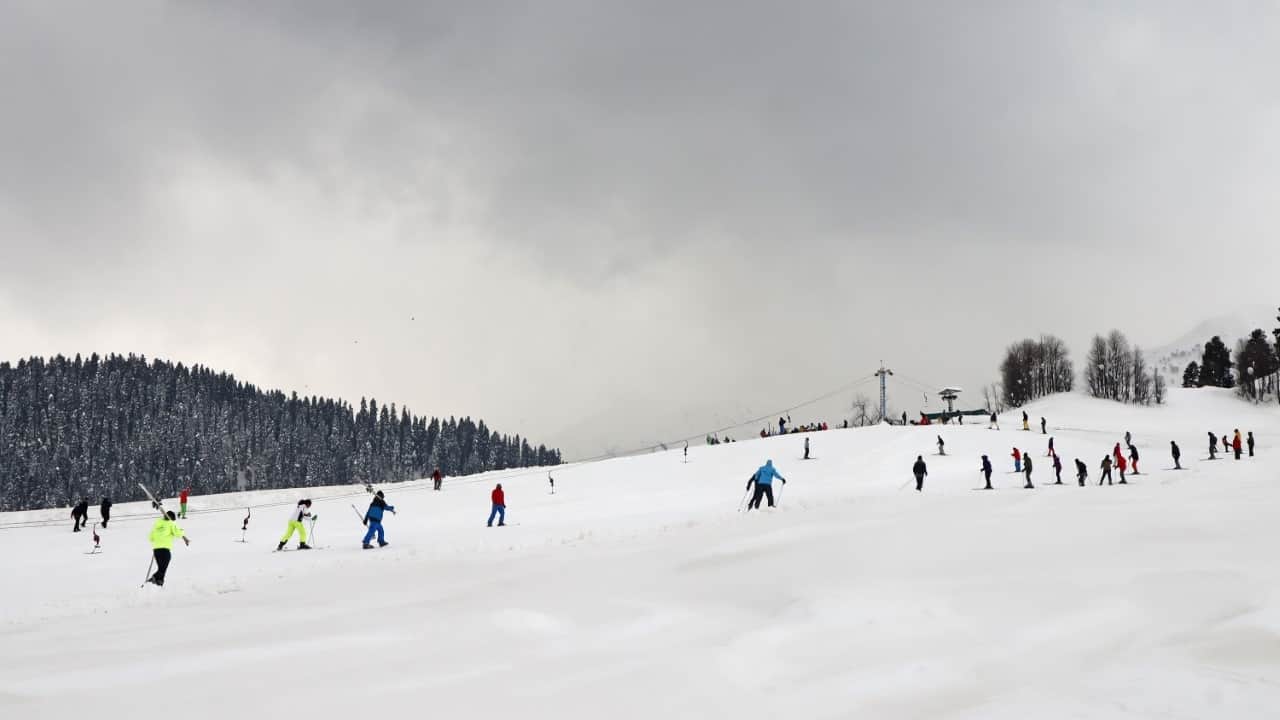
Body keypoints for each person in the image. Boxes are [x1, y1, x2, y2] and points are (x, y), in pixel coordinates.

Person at [146, 511, 190, 587]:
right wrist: (182, 531)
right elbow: (178, 534)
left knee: (161, 568)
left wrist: (158, 538)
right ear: (172, 518)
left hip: (156, 550)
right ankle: (153, 579)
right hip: (165, 550)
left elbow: (150, 537)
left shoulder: (157, 523)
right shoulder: (170, 523)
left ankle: (159, 582)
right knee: (162, 569)